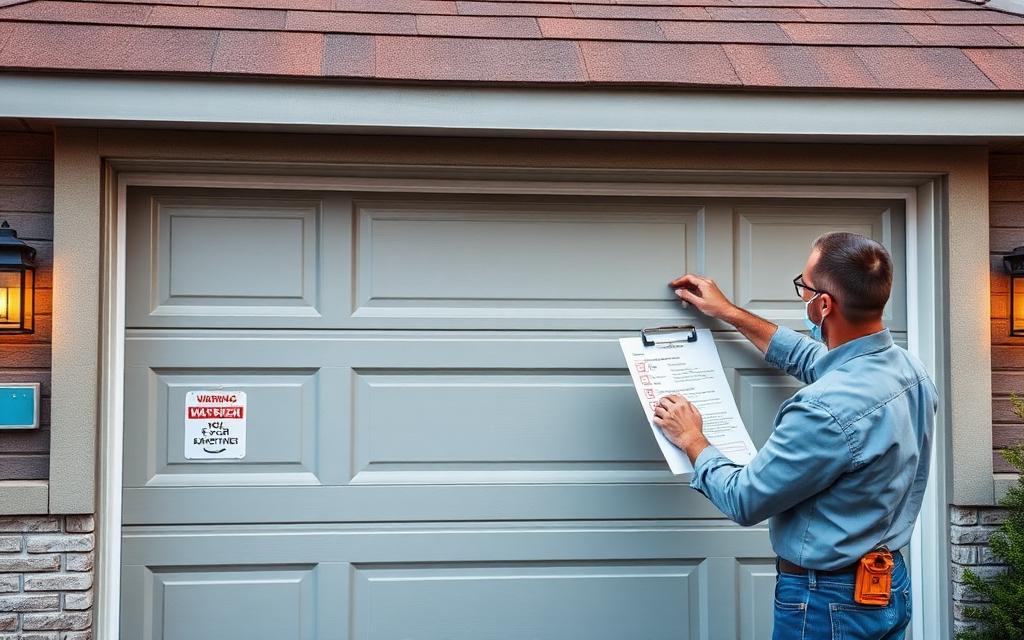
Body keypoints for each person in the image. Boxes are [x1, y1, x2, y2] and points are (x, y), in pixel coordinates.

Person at [654, 232, 937, 640]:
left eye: (803, 286)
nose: (801, 295)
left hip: (828, 602)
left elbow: (744, 498)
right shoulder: (910, 371)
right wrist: (729, 312)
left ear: (823, 305)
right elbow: (811, 357)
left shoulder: (823, 410)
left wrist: (692, 438)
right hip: (887, 586)